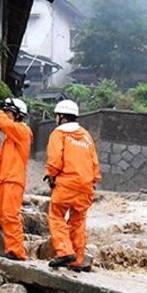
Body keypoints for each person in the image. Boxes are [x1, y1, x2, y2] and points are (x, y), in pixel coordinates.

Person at [44, 99, 100, 271]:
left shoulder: (58, 134)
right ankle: (77, 260)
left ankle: (64, 252)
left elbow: (55, 160)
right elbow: (94, 162)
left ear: (61, 116)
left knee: (56, 216)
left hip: (66, 183)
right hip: (86, 185)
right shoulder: (86, 135)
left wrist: (51, 175)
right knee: (78, 221)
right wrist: (93, 181)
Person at [0, 97, 32, 260]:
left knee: (10, 216)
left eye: (8, 112)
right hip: (7, 180)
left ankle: (17, 251)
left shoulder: (22, 131)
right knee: (5, 216)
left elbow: (6, 125)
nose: (5, 115)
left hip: (13, 181)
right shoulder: (12, 137)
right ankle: (12, 249)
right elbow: (4, 163)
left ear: (17, 114)